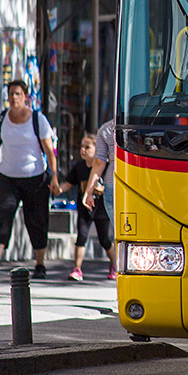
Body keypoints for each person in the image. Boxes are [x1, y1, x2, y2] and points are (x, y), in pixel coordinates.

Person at [0, 79, 62, 279]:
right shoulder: (2, 119)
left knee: (36, 220)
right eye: (11, 94)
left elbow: (50, 151)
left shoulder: (38, 120)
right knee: (3, 217)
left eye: (18, 94)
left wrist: (54, 177)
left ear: (26, 97)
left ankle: (40, 264)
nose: (14, 98)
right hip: (8, 178)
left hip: (35, 179)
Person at [63, 133, 114, 281]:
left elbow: (114, 187)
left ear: (97, 149)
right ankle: (77, 269)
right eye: (82, 146)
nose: (83, 150)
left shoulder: (106, 167)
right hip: (85, 207)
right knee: (82, 236)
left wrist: (102, 190)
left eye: (87, 147)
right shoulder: (79, 167)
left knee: (104, 239)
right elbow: (68, 184)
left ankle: (114, 265)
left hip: (101, 208)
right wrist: (58, 189)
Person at [80, 120, 118, 280]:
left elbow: (99, 162)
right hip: (140, 184)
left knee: (121, 233)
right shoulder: (147, 123)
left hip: (113, 184)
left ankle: (122, 274)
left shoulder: (106, 129)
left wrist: (89, 192)